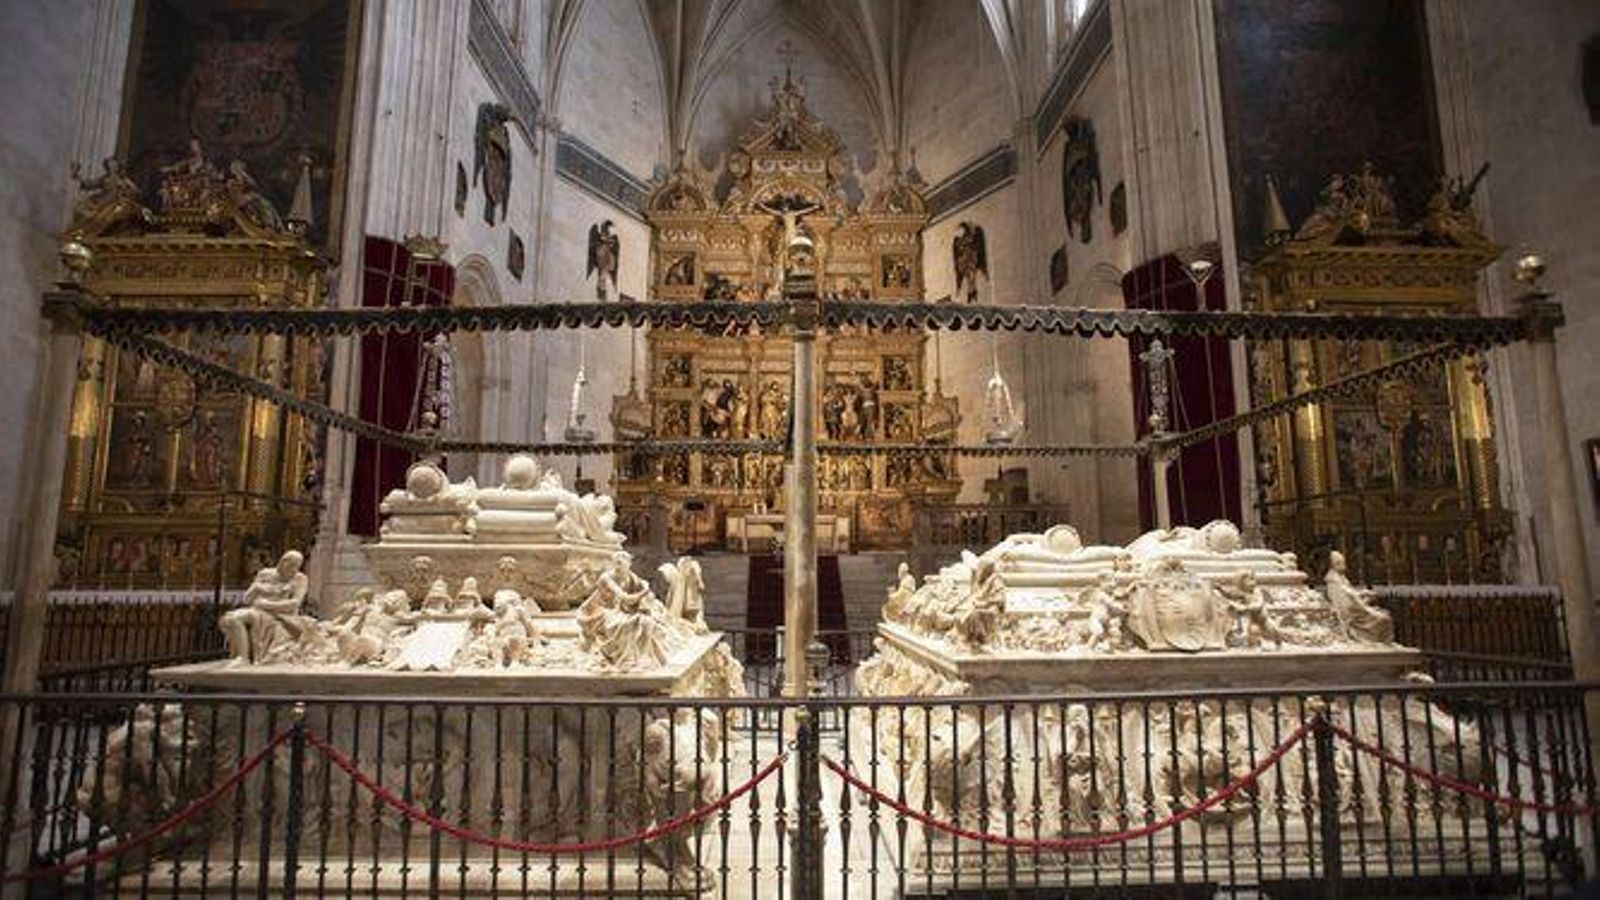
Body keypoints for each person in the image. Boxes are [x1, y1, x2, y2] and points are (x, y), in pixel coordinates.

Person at [221, 550, 313, 664]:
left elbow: (295, 604)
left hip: (281, 615)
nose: (294, 570)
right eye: (291, 565)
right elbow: (247, 599)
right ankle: (241, 657)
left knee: (238, 618)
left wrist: (267, 605)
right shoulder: (264, 574)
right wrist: (256, 588)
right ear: (282, 562)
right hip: (258, 611)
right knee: (230, 618)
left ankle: (243, 658)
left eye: (297, 566)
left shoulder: (300, 579)